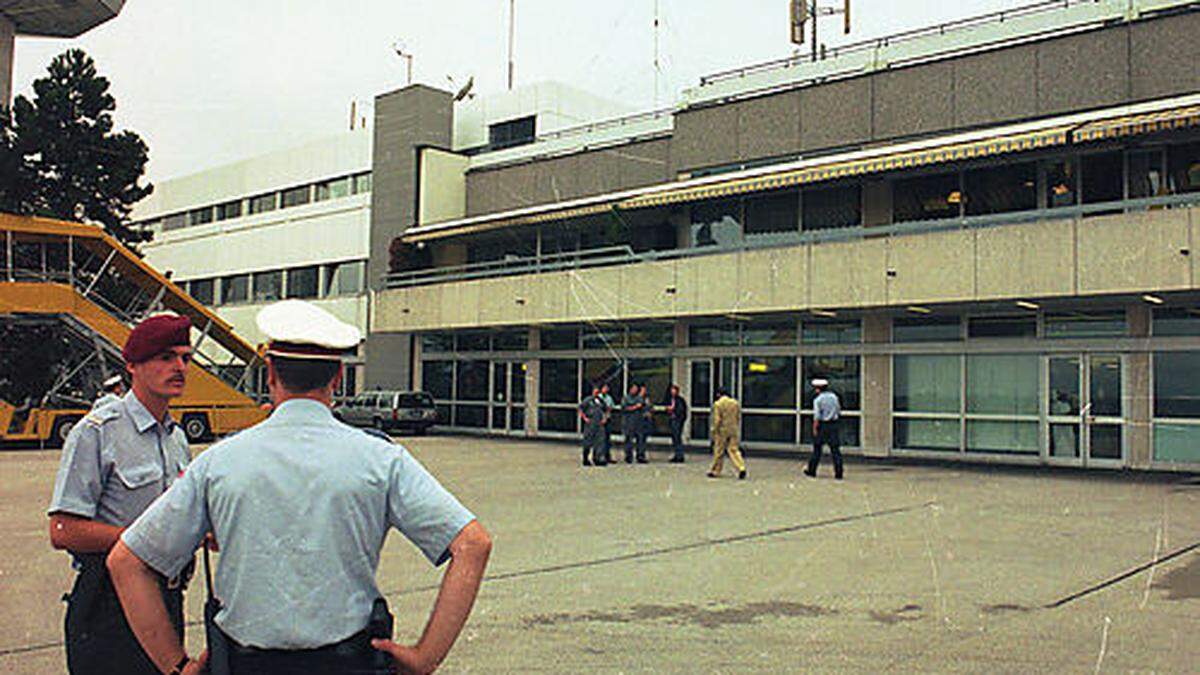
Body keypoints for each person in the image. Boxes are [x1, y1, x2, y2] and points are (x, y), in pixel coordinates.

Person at [106, 299, 491, 675]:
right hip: (351, 662)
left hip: (245, 664)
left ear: (270, 372)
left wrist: (177, 667)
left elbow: (126, 561)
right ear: (338, 377)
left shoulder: (218, 462)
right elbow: (473, 544)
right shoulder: (382, 460)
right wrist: (426, 658)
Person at [48, 313, 195, 675]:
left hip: (166, 596)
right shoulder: (97, 433)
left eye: (185, 358)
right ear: (132, 366)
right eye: (165, 357)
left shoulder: (177, 439)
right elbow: (63, 529)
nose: (179, 367)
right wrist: (150, 539)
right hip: (107, 605)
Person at [805, 378, 844, 480]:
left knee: (817, 449)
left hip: (823, 426)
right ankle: (839, 472)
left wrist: (815, 428)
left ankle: (812, 470)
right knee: (835, 450)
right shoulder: (834, 397)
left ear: (818, 389)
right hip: (833, 425)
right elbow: (838, 411)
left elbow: (817, 416)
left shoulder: (818, 400)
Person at [707, 387, 746, 480]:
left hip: (722, 430)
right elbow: (738, 417)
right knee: (734, 450)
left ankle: (716, 470)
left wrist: (714, 430)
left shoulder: (718, 404)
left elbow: (717, 420)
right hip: (733, 429)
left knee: (719, 451)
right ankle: (741, 467)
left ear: (719, 394)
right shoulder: (735, 403)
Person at [579, 384, 607, 466]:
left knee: (599, 442)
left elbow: (606, 410)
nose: (596, 392)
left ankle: (597, 459)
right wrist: (584, 418)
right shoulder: (588, 400)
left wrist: (604, 418)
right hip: (590, 423)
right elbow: (581, 409)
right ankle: (585, 458)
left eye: (598, 391)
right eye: (595, 390)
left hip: (599, 423)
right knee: (587, 441)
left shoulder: (601, 401)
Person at [620, 383, 645, 464]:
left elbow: (641, 406)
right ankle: (628, 456)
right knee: (628, 440)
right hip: (628, 422)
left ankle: (640, 456)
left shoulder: (639, 398)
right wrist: (634, 407)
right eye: (633, 388)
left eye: (636, 389)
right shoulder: (626, 398)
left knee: (640, 439)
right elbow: (624, 408)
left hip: (638, 422)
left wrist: (635, 407)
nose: (635, 390)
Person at [665, 384, 688, 463]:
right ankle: (676, 454)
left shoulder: (680, 400)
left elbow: (681, 411)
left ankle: (680, 455)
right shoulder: (670, 399)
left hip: (677, 421)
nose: (672, 392)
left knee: (677, 438)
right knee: (674, 438)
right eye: (672, 390)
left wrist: (674, 411)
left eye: (674, 390)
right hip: (672, 420)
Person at [598, 382, 615, 465]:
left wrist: (607, 416)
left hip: (607, 420)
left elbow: (610, 408)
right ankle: (601, 455)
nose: (606, 389)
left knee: (607, 439)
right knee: (601, 439)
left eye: (607, 388)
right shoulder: (598, 398)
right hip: (599, 421)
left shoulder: (609, 398)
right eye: (604, 388)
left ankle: (608, 455)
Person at [638, 384, 654, 462]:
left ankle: (642, 453)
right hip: (640, 421)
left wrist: (650, 411)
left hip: (646, 421)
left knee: (644, 438)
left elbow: (651, 407)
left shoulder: (647, 399)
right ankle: (640, 455)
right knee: (640, 438)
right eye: (643, 390)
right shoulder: (638, 399)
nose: (644, 391)